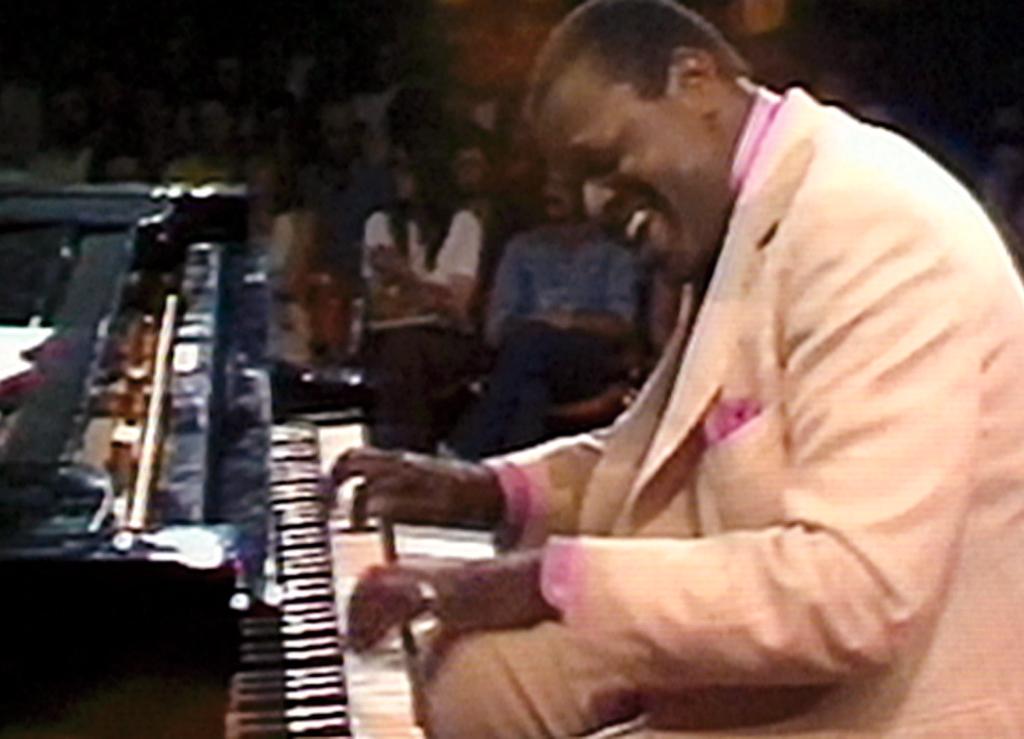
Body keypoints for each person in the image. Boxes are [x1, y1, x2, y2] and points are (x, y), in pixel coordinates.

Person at [329, 1, 1024, 737]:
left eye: (604, 162)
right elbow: (660, 455)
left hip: (890, 710)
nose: (594, 203)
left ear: (695, 80)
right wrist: (485, 492)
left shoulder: (869, 228)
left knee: (454, 689)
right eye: (576, 180)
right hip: (792, 674)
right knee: (462, 679)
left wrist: (542, 581)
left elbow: (853, 595)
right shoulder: (750, 212)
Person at [451, 173, 640, 458]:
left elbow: (621, 324)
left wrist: (568, 321)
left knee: (531, 349)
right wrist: (542, 326)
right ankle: (511, 468)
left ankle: (468, 452)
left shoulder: (614, 254)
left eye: (562, 186)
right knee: (530, 391)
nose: (551, 193)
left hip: (587, 360)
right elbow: (496, 328)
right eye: (547, 185)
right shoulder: (521, 249)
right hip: (524, 355)